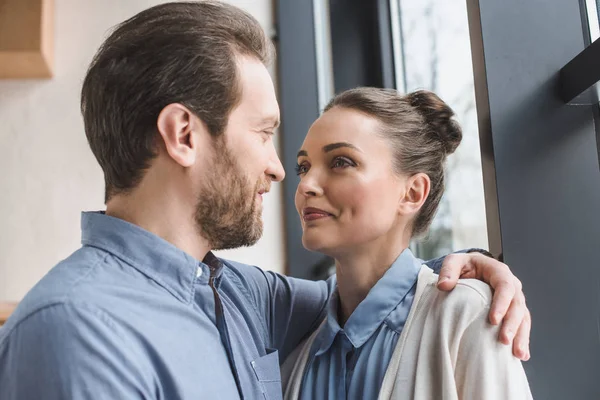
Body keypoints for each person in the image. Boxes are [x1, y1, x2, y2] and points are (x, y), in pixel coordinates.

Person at [0, 2, 530, 399]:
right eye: (263, 134)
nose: (281, 171)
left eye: (339, 161)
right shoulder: (73, 329)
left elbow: (372, 297)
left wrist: (467, 272)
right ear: (184, 134)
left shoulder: (243, 297)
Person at [283, 88, 532, 399]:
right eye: (303, 167)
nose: (306, 185)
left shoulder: (467, 314)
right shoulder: (296, 342)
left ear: (413, 193)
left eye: (341, 162)